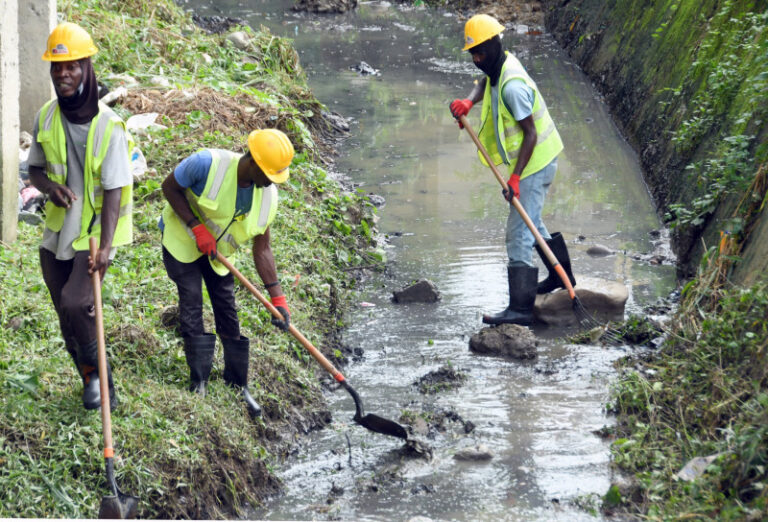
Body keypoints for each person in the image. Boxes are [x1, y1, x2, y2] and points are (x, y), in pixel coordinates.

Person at [28, 22, 133, 410]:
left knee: (77, 303)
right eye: (57, 68)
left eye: (71, 66)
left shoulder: (109, 127)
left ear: (87, 67)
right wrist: (47, 189)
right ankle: (90, 378)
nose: (63, 74)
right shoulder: (47, 116)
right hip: (57, 233)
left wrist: (105, 247)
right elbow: (35, 169)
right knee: (64, 313)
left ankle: (103, 384)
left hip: (91, 234)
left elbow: (115, 190)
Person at [450, 14, 575, 326]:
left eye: (481, 51)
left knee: (519, 232)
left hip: (536, 162)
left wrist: (516, 178)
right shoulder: (499, 66)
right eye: (472, 54)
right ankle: (564, 276)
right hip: (535, 161)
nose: (477, 59)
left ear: (495, 44)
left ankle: (520, 309)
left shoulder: (513, 87)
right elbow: (484, 83)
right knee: (534, 224)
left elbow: (530, 134)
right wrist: (469, 102)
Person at [160, 129, 294, 419]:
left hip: (219, 256)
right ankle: (200, 381)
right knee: (192, 298)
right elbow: (169, 187)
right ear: (254, 164)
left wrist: (278, 298)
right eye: (270, 174)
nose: (272, 182)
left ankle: (238, 383)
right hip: (182, 241)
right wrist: (196, 226)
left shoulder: (268, 198)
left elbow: (263, 250)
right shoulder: (207, 164)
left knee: (227, 308)